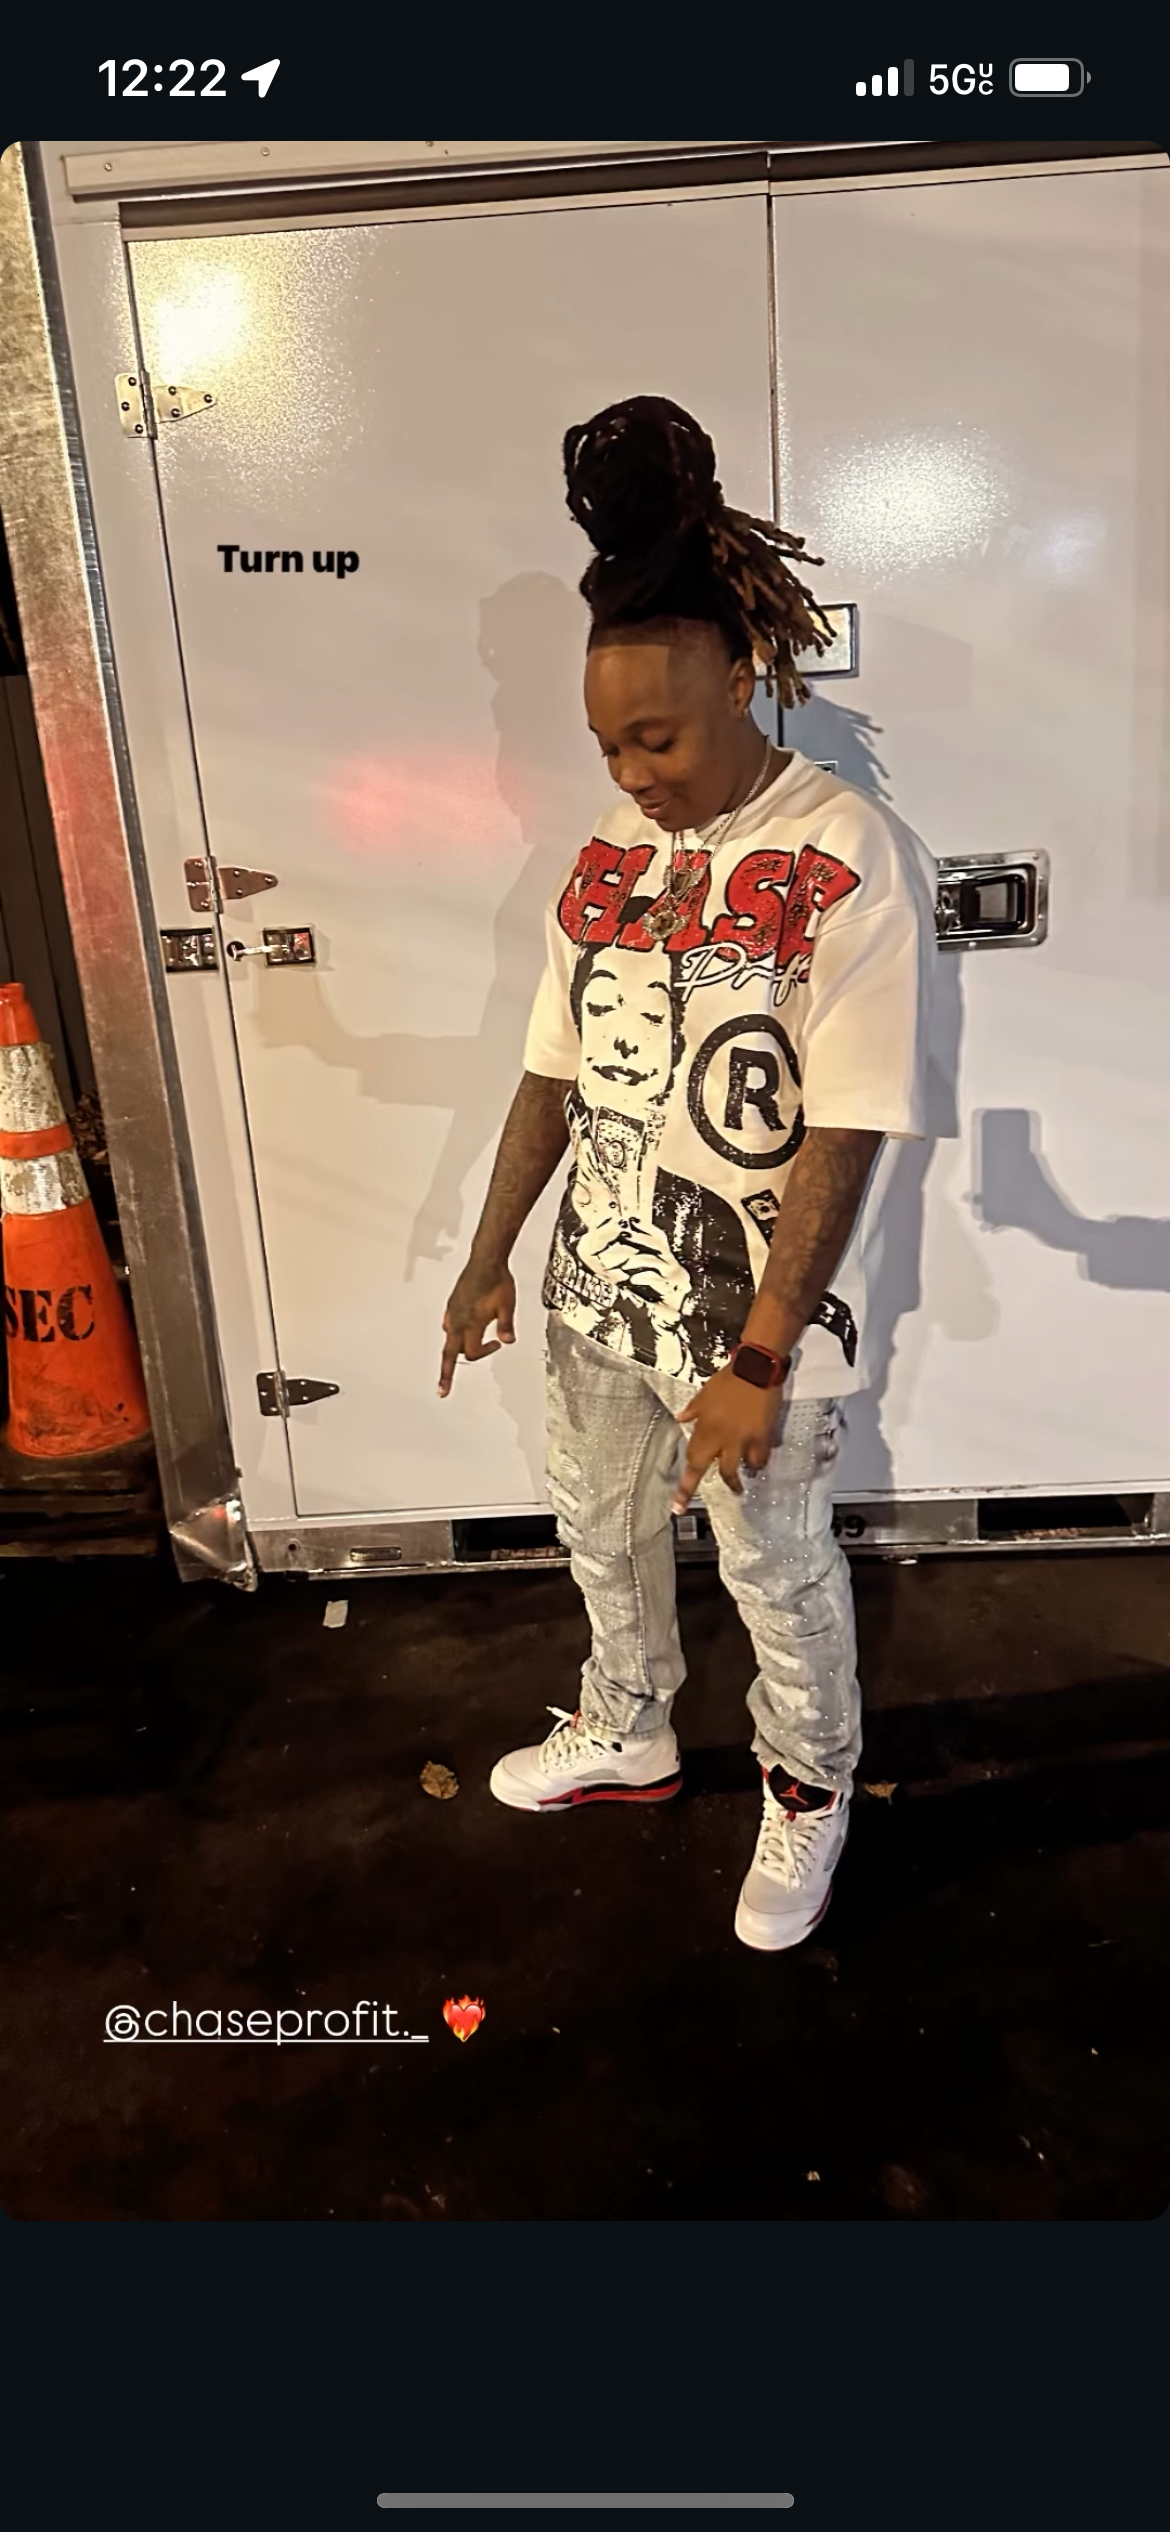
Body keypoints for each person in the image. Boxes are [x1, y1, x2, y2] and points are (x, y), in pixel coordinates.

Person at [440, 395, 937, 1951]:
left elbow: (849, 1120)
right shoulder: (609, 852)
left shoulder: (843, 853)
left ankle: (807, 1787)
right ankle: (628, 1728)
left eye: (654, 737)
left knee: (773, 1565)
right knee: (596, 1526)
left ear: (740, 681)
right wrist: (488, 1256)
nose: (631, 771)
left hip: (746, 1311)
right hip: (598, 1282)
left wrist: (761, 1354)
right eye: (606, 745)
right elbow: (551, 1068)